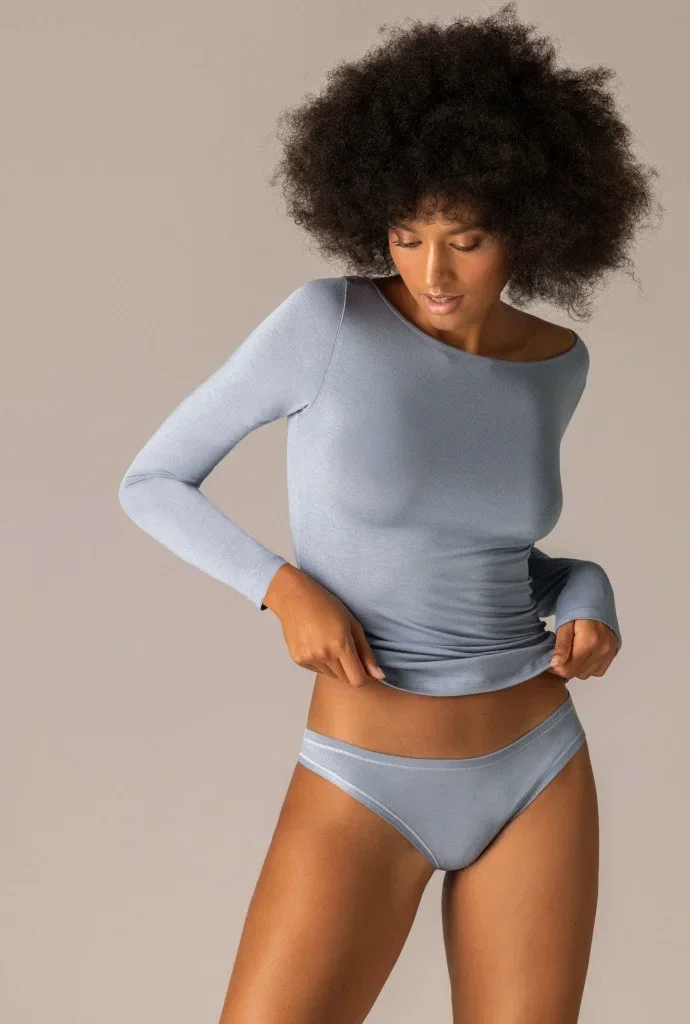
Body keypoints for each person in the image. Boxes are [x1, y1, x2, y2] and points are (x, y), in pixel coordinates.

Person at [118, 6, 659, 1022]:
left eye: (466, 240)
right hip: (364, 773)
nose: (432, 273)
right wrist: (281, 589)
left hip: (535, 762)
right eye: (406, 238)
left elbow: (494, 551)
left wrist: (588, 592)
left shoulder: (556, 365)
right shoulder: (326, 324)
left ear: (532, 227)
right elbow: (151, 481)